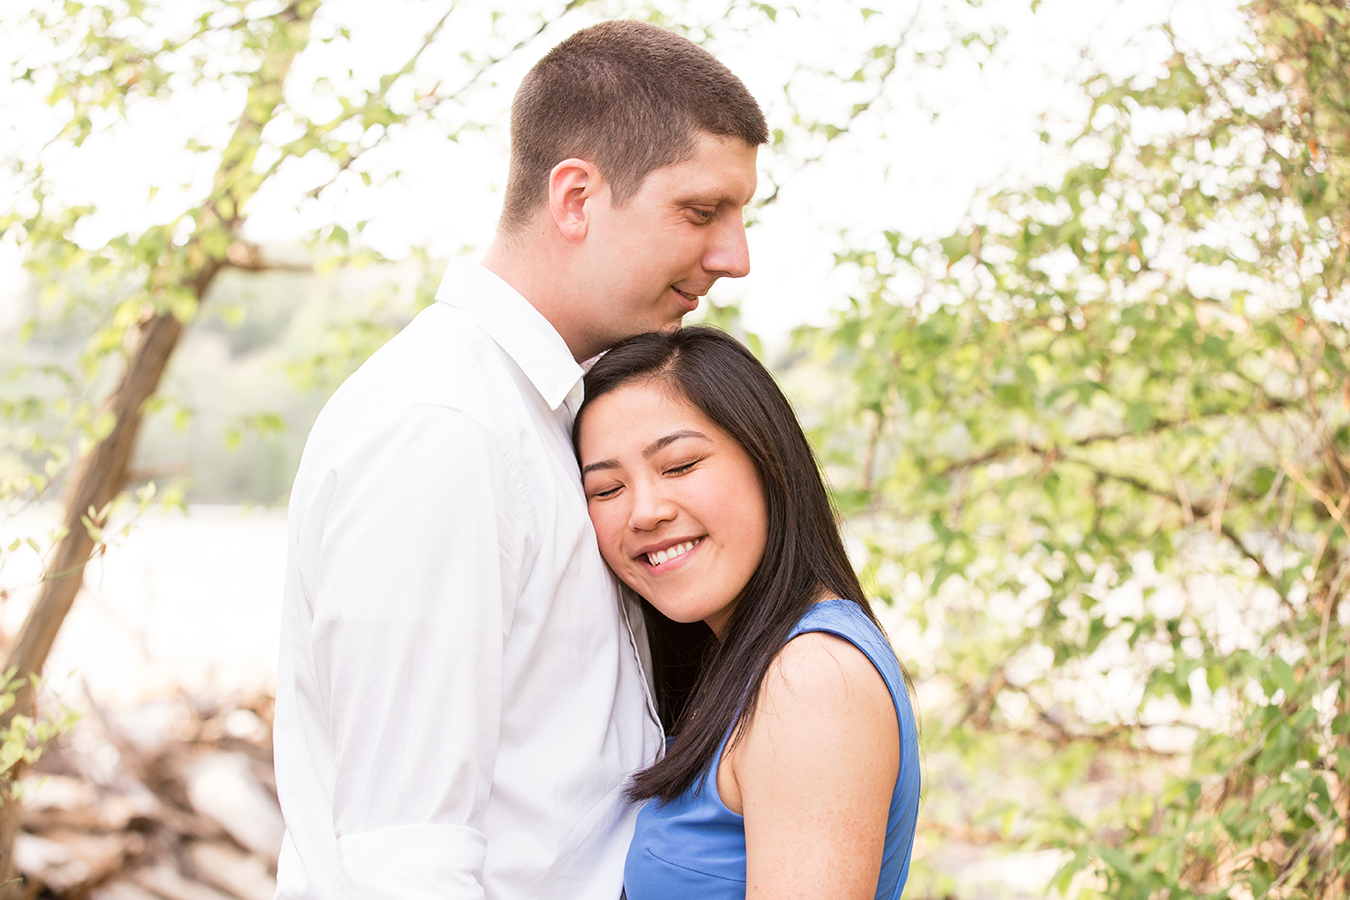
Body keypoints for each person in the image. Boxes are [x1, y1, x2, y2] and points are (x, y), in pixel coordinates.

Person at [272, 21, 767, 900]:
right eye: (700, 212)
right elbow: (406, 857)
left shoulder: (544, 420)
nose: (735, 258)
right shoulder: (446, 426)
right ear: (575, 197)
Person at [574, 327, 921, 899]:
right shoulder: (738, 666)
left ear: (768, 460)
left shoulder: (811, 679)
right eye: (607, 489)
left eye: (680, 465)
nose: (646, 512)